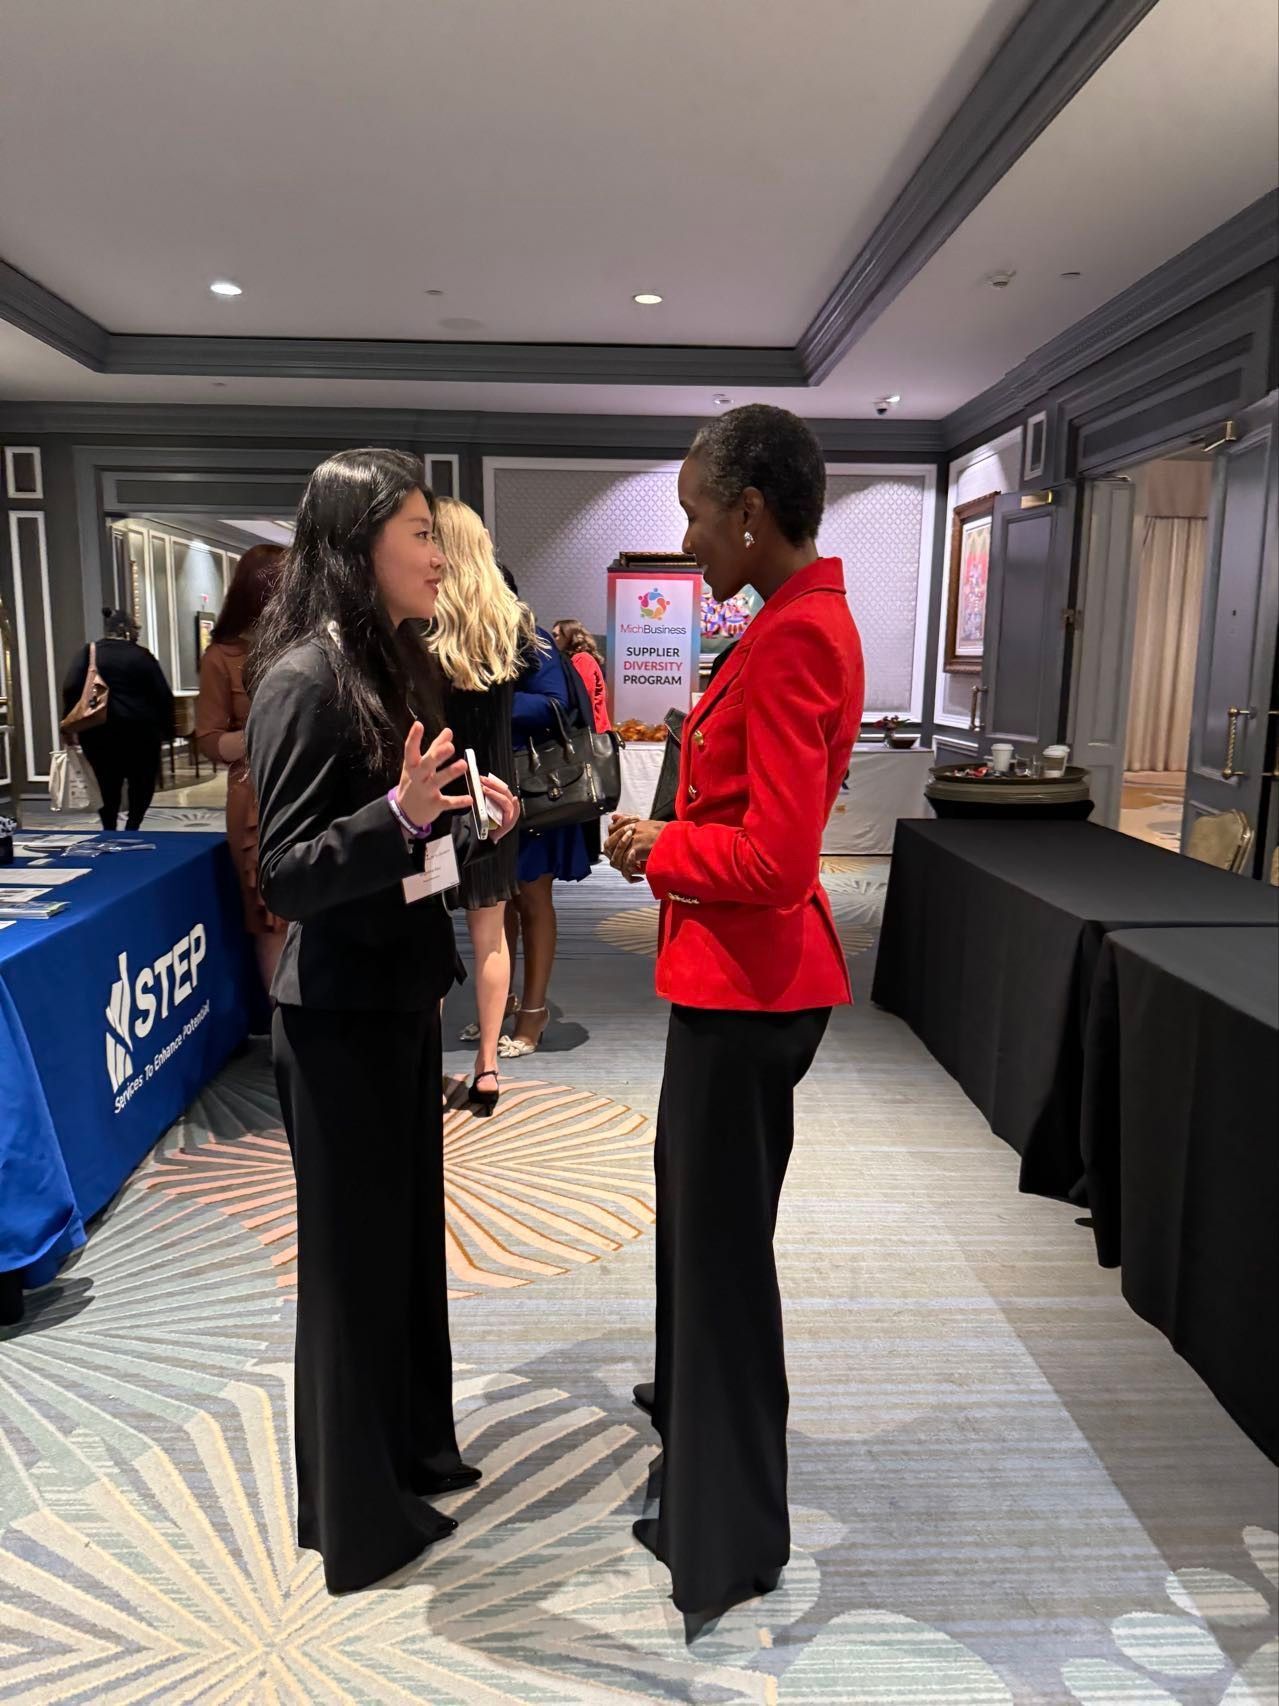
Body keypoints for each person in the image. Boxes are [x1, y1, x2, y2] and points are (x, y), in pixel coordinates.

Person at [604, 404, 864, 1636]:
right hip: (729, 979)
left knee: (723, 1266)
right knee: (705, 1247)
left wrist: (659, 846)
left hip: (751, 986)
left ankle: (733, 1535)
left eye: (697, 513)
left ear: (750, 512)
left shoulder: (800, 632)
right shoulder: (784, 619)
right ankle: (705, 1487)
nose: (690, 536)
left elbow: (774, 857)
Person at [246, 448, 520, 1594]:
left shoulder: (391, 663)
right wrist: (399, 817)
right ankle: (354, 1517)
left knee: (402, 1249)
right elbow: (288, 873)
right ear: (358, 545)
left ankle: (409, 1453)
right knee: (352, 1268)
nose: (440, 555)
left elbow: (407, 845)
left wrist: (464, 819)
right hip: (337, 1020)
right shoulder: (303, 677)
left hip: (401, 996)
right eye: (418, 532)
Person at [431, 496, 533, 1114]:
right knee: (491, 935)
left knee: (428, 933)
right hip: (495, 799)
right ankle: (488, 1066)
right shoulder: (508, 617)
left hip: (435, 796)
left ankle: (425, 1060)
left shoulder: (421, 620)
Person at [499, 594, 592, 1059]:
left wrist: (487, 698)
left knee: (532, 897)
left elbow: (555, 704)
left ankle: (533, 1012)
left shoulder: (528, 637)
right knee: (496, 901)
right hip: (488, 785)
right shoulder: (465, 636)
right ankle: (500, 1001)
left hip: (534, 789)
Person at [195, 543, 288, 993]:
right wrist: (265, 731)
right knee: (272, 916)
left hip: (308, 787)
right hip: (255, 800)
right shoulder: (221, 658)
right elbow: (209, 738)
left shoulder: (306, 646)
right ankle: (285, 1024)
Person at [61, 607, 174, 831]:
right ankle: (133, 825)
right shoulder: (142, 656)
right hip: (140, 733)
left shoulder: (89, 653)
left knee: (105, 783)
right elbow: (163, 695)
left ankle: (109, 827)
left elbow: (71, 686)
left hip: (98, 732)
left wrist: (68, 725)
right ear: (127, 630)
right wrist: (167, 731)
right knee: (141, 782)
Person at [552, 620, 610, 732]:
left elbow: (584, 699)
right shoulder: (577, 659)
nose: (553, 640)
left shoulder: (581, 659)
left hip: (592, 731)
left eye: (556, 635)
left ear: (568, 636)